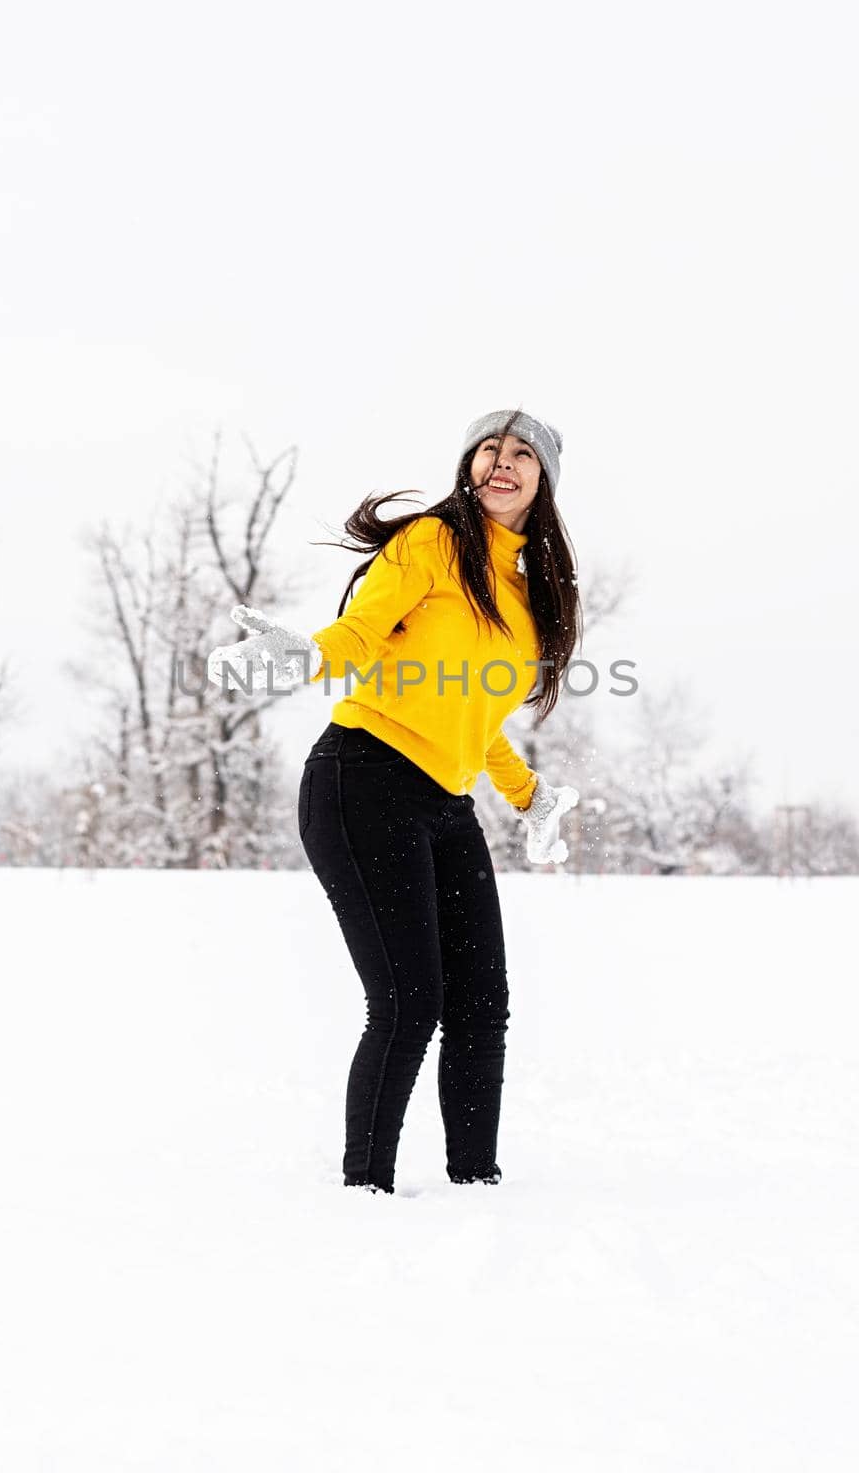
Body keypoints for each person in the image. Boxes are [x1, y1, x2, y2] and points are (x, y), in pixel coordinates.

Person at [206, 409, 582, 1195]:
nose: (501, 463)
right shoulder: (429, 544)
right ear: (468, 465)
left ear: (544, 479)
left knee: (481, 1004)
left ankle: (476, 1184)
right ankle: (365, 1190)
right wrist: (303, 657)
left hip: (445, 803)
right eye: (488, 449)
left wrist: (529, 795)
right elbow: (358, 636)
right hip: (363, 779)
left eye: (520, 454)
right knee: (409, 1001)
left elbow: (472, 715)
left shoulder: (521, 594)